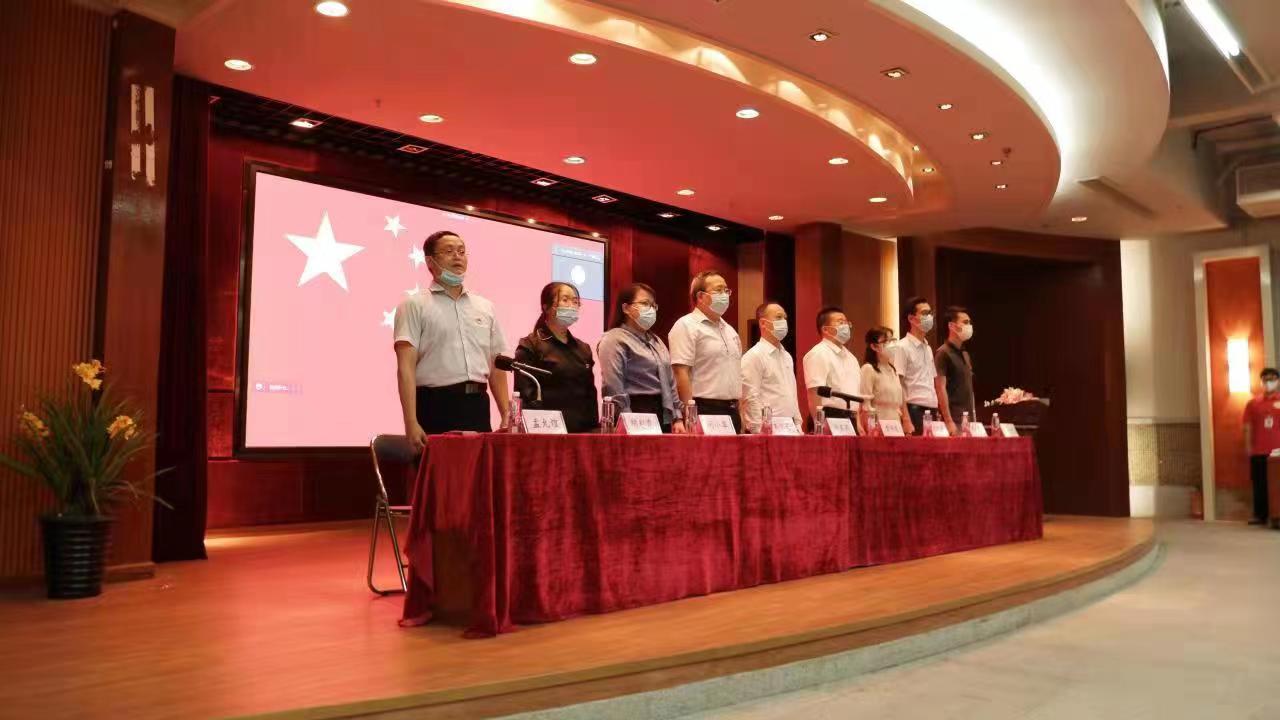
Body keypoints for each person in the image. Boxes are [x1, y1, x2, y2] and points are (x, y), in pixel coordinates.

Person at [393, 230, 510, 452]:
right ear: (430, 261)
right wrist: (410, 421)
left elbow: (496, 365)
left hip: (477, 404)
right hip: (435, 405)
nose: (457, 256)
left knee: (478, 472)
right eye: (449, 251)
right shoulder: (414, 305)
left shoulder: (485, 307)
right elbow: (405, 368)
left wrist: (506, 413)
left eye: (462, 251)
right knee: (440, 472)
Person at [597, 282, 685, 433]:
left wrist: (677, 417)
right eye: (645, 303)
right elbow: (613, 385)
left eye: (653, 305)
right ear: (626, 308)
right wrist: (627, 419)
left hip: (661, 410)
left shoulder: (657, 341)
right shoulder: (614, 339)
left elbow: (670, 382)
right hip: (635, 408)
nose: (651, 309)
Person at [513, 282, 599, 433]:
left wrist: (594, 429)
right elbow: (526, 396)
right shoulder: (530, 345)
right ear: (546, 307)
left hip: (582, 432)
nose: (572, 306)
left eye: (575, 302)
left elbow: (590, 395)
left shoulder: (583, 348)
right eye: (565, 300)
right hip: (547, 431)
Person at [669, 270, 743, 432]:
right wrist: (690, 415)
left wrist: (741, 415)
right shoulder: (686, 325)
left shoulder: (730, 330)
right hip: (704, 409)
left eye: (726, 290)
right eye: (718, 290)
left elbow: (738, 374)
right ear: (700, 296)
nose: (724, 295)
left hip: (732, 410)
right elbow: (680, 373)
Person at [740, 302, 803, 434]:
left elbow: (792, 393)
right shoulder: (754, 356)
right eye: (779, 317)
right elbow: (750, 397)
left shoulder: (787, 356)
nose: (784, 322)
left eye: (785, 318)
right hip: (767, 430)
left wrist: (798, 424)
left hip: (789, 427)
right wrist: (759, 430)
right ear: (763, 323)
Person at [802, 306, 862, 433]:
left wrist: (858, 423)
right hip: (828, 417)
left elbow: (855, 394)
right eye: (840, 322)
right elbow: (814, 394)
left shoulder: (852, 358)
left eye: (847, 323)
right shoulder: (818, 353)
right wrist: (819, 425)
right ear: (825, 329)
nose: (846, 326)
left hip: (851, 417)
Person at [893, 296, 938, 435]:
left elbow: (932, 382)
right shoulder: (902, 347)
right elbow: (898, 384)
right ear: (911, 319)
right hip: (914, 410)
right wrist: (906, 418)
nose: (929, 317)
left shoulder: (928, 348)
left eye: (930, 313)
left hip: (932, 409)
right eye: (924, 313)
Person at [1243, 367, 1280, 526]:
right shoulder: (1253, 403)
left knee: (1277, 484)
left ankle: (1277, 516)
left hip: (1278, 451)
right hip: (1258, 450)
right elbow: (1247, 426)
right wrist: (1248, 446)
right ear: (1261, 382)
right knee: (1259, 483)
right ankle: (1260, 515)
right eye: (1266, 379)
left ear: (1278, 381)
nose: (1269, 382)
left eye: (1272, 379)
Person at [859, 326, 913, 434]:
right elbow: (865, 406)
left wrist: (906, 420)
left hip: (895, 427)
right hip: (878, 428)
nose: (892, 344)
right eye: (887, 341)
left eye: (893, 340)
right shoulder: (868, 369)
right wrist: (871, 431)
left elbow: (899, 402)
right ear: (874, 346)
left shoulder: (893, 370)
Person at [935, 306, 976, 436]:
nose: (969, 326)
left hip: (969, 419)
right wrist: (948, 421)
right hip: (954, 419)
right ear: (952, 326)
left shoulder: (965, 354)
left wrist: (973, 418)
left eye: (969, 323)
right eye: (965, 322)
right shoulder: (943, 353)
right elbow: (940, 388)